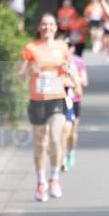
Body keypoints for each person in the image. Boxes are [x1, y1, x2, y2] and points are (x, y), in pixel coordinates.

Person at [19, 14, 77, 202]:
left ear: (55, 27)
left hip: (57, 99)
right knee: (40, 143)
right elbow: (20, 75)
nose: (47, 27)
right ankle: (41, 182)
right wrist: (31, 69)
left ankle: (54, 179)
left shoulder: (62, 48)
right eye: (44, 24)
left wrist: (68, 71)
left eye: (51, 24)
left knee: (55, 139)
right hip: (37, 101)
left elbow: (70, 69)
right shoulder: (31, 48)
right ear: (39, 27)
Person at [62, 38, 88, 170]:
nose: (67, 48)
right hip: (59, 100)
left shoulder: (77, 62)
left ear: (73, 48)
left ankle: (71, 152)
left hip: (74, 101)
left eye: (69, 46)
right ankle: (61, 158)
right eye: (64, 46)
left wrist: (75, 80)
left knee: (72, 132)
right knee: (63, 131)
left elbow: (85, 82)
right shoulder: (56, 62)